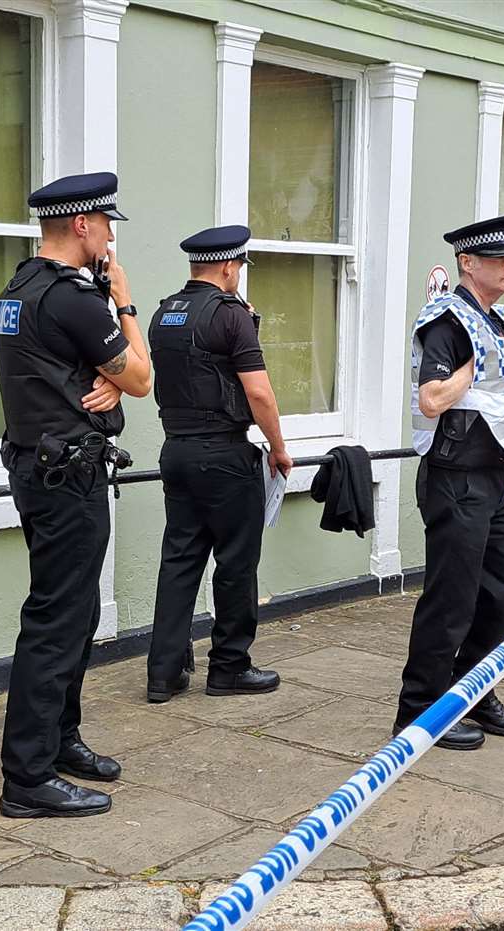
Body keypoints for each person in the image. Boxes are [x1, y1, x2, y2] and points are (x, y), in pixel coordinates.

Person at [0, 172, 153, 818]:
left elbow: (56, 371)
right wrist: (125, 302)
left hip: (40, 469)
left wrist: (102, 382)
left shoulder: (20, 288)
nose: (111, 235)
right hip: (67, 479)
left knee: (75, 613)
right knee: (57, 620)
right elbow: (142, 375)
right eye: (106, 223)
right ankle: (26, 776)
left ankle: (59, 740)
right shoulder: (77, 299)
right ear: (81, 225)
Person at [396, 215, 504, 751]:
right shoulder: (447, 322)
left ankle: (471, 689)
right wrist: (465, 374)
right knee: (451, 598)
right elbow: (431, 398)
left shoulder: (500, 319)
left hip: (494, 473)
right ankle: (421, 711)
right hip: (455, 475)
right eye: (500, 258)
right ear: (467, 263)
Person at [144, 225, 291, 703]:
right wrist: (279, 447)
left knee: (180, 560)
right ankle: (229, 667)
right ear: (229, 266)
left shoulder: (164, 313)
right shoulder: (231, 317)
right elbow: (258, 392)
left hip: (176, 452)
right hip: (226, 455)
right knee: (235, 562)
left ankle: (163, 674)